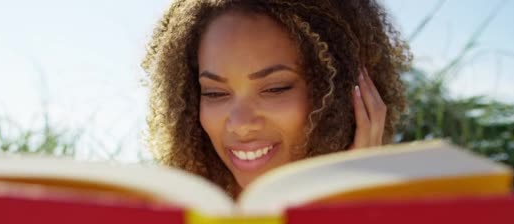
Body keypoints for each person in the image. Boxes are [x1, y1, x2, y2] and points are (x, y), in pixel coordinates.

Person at [142, 0, 411, 198]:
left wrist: (349, 203)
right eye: (215, 93)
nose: (240, 124)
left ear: (343, 93)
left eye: (275, 89)